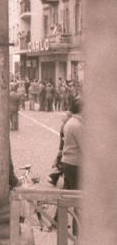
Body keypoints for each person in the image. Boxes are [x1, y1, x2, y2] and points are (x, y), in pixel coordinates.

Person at [61, 98, 83, 235]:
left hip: (69, 163)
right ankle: (79, 234)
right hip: (76, 164)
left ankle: (68, 228)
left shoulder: (72, 122)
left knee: (69, 197)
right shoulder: (77, 125)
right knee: (79, 200)